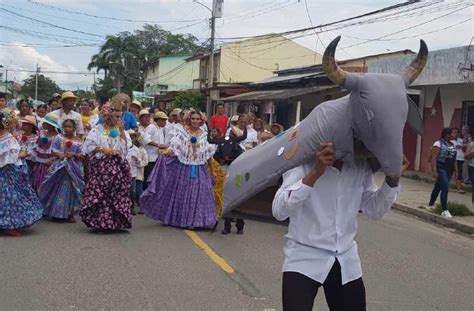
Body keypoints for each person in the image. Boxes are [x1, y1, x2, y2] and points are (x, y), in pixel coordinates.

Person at [272, 142, 407, 311]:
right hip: (304, 255)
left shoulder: (359, 166)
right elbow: (279, 211)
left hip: (345, 257)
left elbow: (373, 210)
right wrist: (315, 173)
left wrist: (392, 181)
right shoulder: (304, 163)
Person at [140, 111, 217, 229]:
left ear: (202, 120)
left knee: (200, 192)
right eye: (193, 118)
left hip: (199, 168)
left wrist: (212, 171)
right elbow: (175, 148)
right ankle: (181, 219)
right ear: (189, 120)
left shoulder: (205, 135)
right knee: (184, 193)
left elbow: (208, 155)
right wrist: (166, 152)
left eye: (198, 119)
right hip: (184, 168)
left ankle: (196, 220)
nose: (195, 121)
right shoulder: (182, 133)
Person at [80, 103, 133, 232]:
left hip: (117, 165)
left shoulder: (121, 131)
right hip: (101, 165)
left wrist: (121, 131)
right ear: (108, 116)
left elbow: (126, 147)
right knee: (101, 193)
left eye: (120, 117)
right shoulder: (98, 129)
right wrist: (103, 149)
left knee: (117, 193)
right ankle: (100, 223)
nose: (119, 120)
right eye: (116, 116)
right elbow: (89, 145)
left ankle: (116, 223)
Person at [0, 109, 43, 237]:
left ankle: (8, 224)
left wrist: (22, 154)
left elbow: (10, 158)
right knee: (8, 199)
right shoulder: (8, 138)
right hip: (6, 174)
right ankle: (7, 225)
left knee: (9, 199)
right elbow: (11, 157)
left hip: (7, 174)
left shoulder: (8, 138)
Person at [38, 119, 84, 223]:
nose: (67, 129)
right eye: (65, 127)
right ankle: (53, 212)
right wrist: (60, 154)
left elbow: (82, 155)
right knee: (54, 186)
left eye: (69, 127)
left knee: (71, 189)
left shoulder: (79, 141)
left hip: (72, 167)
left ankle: (69, 213)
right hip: (59, 166)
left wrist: (74, 154)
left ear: (74, 128)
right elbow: (53, 150)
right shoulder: (58, 137)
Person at [425, 128, 457, 218]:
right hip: (441, 167)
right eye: (453, 133)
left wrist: (456, 171)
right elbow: (434, 158)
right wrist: (434, 170)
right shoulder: (438, 144)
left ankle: (430, 204)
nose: (455, 135)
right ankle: (445, 210)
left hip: (449, 169)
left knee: (438, 186)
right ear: (447, 135)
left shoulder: (452, 144)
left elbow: (454, 159)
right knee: (445, 187)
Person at [31, 112, 61, 191]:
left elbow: (59, 151)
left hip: (50, 163)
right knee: (37, 181)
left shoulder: (57, 137)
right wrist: (35, 162)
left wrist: (53, 159)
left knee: (47, 182)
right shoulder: (42, 134)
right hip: (40, 163)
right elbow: (37, 147)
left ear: (51, 125)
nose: (43, 124)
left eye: (45, 122)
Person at [138, 109, 165, 189]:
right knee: (148, 178)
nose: (147, 119)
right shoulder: (151, 127)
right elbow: (146, 140)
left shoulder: (160, 129)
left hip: (157, 157)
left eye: (148, 117)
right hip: (149, 158)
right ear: (159, 120)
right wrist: (158, 145)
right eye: (164, 120)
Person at [451, 128, 466, 194]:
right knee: (450, 172)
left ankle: (459, 188)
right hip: (453, 158)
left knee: (459, 173)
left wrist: (462, 146)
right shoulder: (450, 141)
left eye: (457, 132)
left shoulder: (461, 140)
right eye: (454, 132)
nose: (456, 134)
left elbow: (465, 148)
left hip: (460, 158)